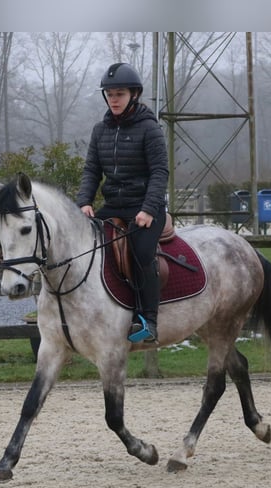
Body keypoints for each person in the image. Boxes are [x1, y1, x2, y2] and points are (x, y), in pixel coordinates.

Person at [76, 62, 169, 343]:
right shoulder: (99, 131)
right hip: (113, 207)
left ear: (134, 95)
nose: (113, 99)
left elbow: (159, 172)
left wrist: (148, 209)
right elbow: (92, 170)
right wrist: (84, 202)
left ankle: (148, 320)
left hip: (144, 209)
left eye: (119, 94)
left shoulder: (149, 129)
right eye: (109, 94)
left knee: (141, 254)